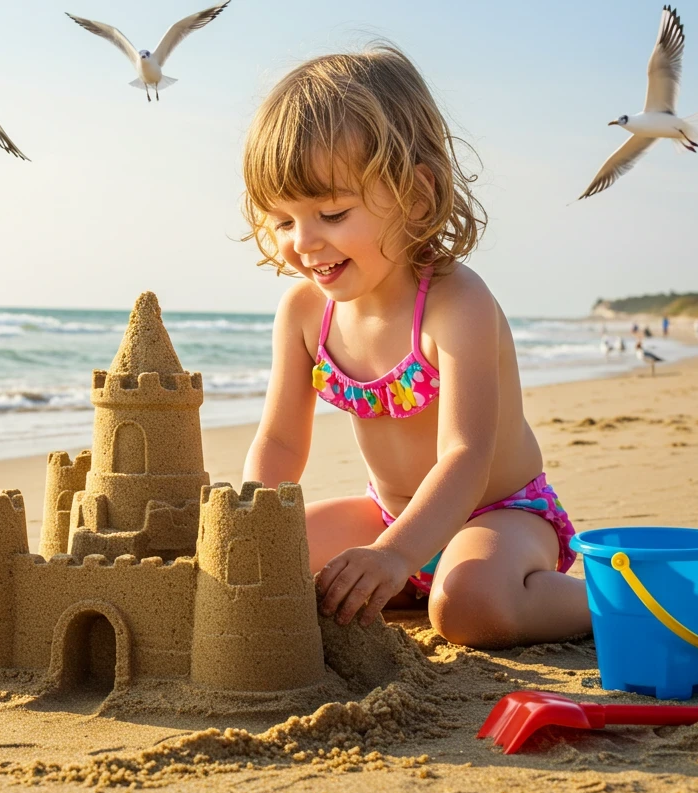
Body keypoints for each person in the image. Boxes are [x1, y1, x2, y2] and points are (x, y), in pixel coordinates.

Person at [238, 45, 588, 648]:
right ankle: (402, 580)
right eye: (283, 221)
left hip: (499, 515)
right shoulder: (304, 312)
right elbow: (280, 441)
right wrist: (250, 522)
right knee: (255, 566)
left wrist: (396, 554)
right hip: (387, 516)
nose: (304, 242)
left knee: (468, 609)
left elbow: (466, 457)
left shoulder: (456, 303)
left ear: (416, 195)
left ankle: (632, 601)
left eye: (332, 212)